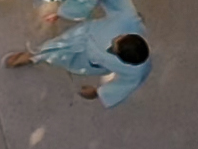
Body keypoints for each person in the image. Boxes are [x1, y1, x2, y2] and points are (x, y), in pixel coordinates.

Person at [9, 21, 149, 105]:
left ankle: (32, 56)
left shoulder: (134, 72)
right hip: (79, 37)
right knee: (55, 47)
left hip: (84, 62)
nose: (117, 37)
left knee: (57, 55)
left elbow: (124, 86)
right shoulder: (126, 21)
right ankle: (37, 55)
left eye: (116, 44)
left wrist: (97, 92)